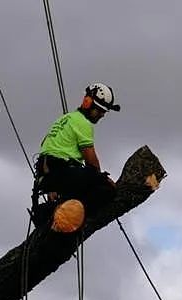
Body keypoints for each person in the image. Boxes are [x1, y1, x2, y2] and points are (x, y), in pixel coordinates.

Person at [32, 83, 120, 228]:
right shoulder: (83, 123)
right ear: (88, 103)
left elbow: (45, 144)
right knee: (106, 190)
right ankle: (63, 212)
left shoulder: (64, 119)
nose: (102, 115)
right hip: (60, 170)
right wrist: (104, 178)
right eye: (100, 110)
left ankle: (58, 209)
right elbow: (91, 161)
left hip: (46, 174)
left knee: (84, 181)